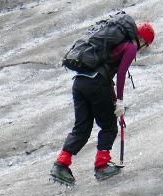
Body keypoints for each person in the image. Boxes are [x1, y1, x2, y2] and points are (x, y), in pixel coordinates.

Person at [50, 15, 155, 185]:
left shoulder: (109, 45)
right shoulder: (129, 47)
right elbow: (120, 75)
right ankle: (102, 165)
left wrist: (112, 96)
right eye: (145, 44)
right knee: (108, 126)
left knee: (81, 128)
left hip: (80, 82)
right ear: (142, 39)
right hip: (97, 84)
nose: (142, 49)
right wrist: (119, 101)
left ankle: (61, 164)